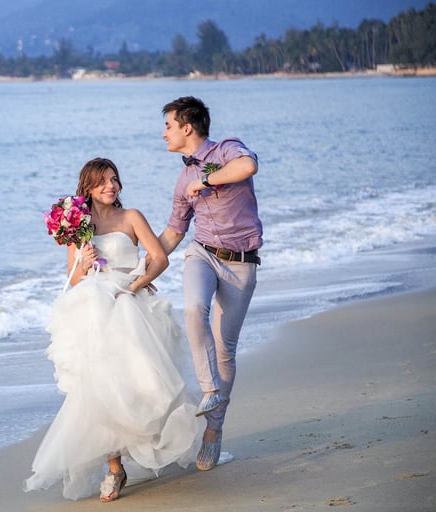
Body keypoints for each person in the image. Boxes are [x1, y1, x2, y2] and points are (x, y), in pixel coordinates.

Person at [23, 157, 202, 502]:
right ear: (87, 187)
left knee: (139, 382)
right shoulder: (79, 226)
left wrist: (136, 284)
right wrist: (85, 262)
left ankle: (149, 443)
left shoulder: (131, 217)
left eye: (115, 180)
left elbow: (159, 258)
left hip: (129, 300)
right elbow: (73, 279)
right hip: (94, 307)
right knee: (100, 385)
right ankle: (115, 468)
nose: (111, 186)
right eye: (103, 181)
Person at [157, 96, 262, 472]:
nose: (164, 133)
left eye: (168, 125)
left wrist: (207, 179)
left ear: (187, 127)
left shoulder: (227, 149)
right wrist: (142, 269)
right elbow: (173, 233)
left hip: (242, 263)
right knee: (192, 308)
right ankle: (210, 388)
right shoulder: (182, 177)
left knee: (225, 351)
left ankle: (213, 431)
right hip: (202, 253)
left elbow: (249, 165)